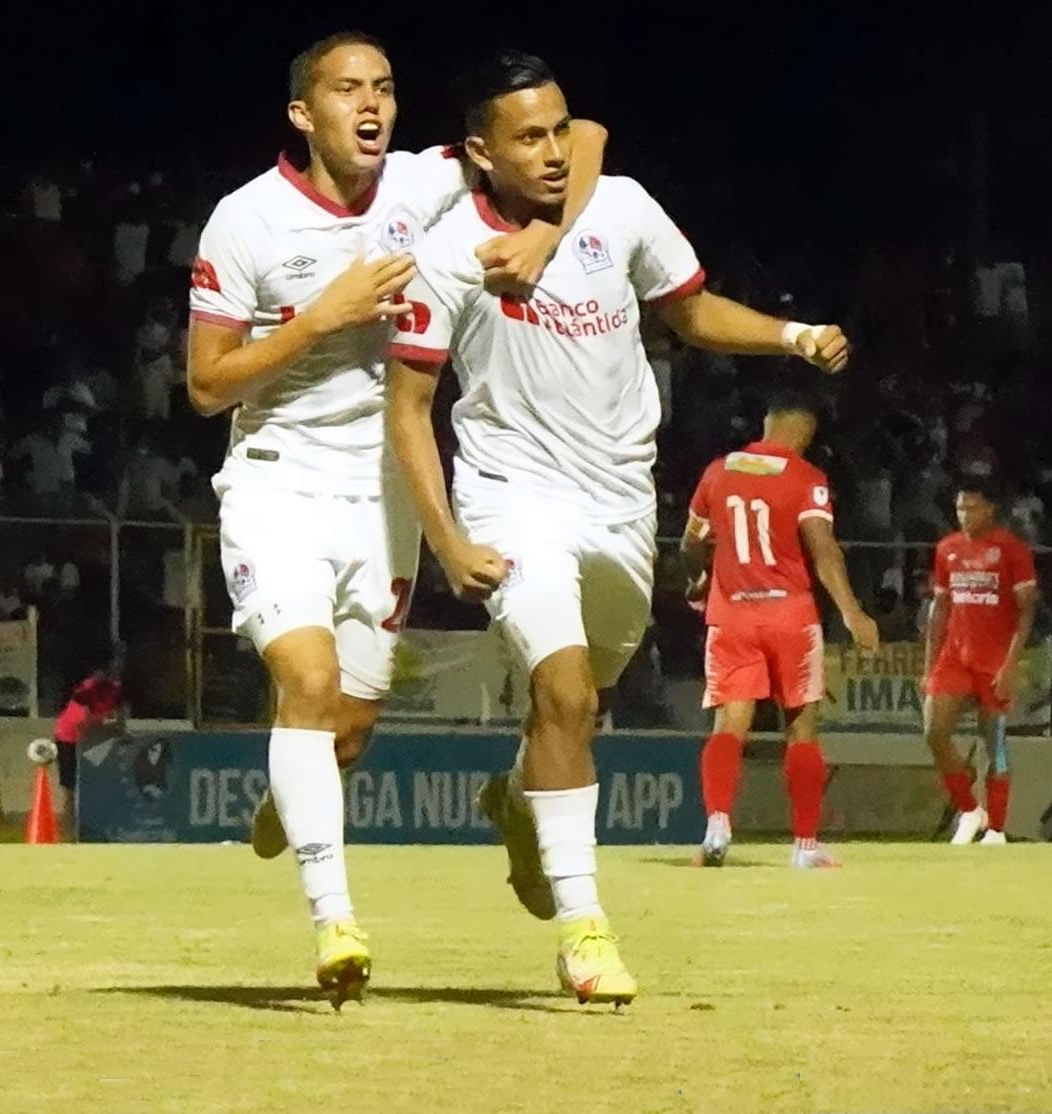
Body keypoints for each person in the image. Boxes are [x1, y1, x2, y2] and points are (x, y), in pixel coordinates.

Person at [385, 50, 848, 1006]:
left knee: (582, 705)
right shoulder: (445, 256)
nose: (554, 151)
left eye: (560, 129)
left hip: (620, 500)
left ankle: (517, 801)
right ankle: (584, 926)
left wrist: (790, 336)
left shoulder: (619, 206)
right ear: (480, 152)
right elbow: (409, 406)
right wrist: (446, 538)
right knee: (558, 690)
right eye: (528, 137)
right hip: (516, 496)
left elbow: (688, 310)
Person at [185, 30, 607, 1008]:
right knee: (310, 679)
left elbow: (581, 134)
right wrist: (321, 317)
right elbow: (206, 384)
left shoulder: (425, 185)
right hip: (278, 481)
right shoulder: (244, 221)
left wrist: (544, 232)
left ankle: (295, 790)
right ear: (304, 113)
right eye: (345, 90)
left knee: (347, 728)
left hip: (383, 499)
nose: (369, 106)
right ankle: (335, 920)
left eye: (381, 88)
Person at [681, 390, 879, 869]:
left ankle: (717, 826)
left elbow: (691, 540)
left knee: (730, 721)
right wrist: (853, 612)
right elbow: (823, 548)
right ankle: (805, 847)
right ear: (803, 429)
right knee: (802, 728)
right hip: (790, 614)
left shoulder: (719, 470)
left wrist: (699, 578)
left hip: (732, 613)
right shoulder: (806, 477)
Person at [924, 483, 1039, 844]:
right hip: (954, 657)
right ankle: (971, 809)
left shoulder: (1011, 549)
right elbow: (940, 608)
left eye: (972, 508)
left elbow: (1027, 611)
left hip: (995, 661)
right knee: (934, 732)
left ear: (990, 509)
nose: (964, 515)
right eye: (960, 509)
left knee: (996, 746)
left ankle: (997, 829)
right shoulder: (947, 549)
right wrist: (929, 667)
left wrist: (1010, 665)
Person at [53, 657, 126, 841]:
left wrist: (115, 728)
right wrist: (110, 729)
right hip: (68, 740)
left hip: (90, 740)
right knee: (71, 789)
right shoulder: (84, 692)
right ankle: (68, 834)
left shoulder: (114, 690)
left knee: (94, 785)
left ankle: (93, 829)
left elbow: (120, 720)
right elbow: (83, 725)